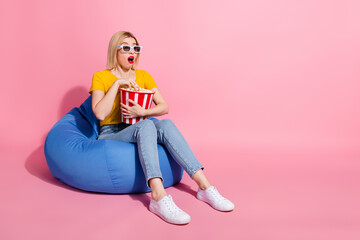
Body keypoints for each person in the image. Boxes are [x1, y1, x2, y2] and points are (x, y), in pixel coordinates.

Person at [89, 31, 235, 225]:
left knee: (164, 123)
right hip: (111, 133)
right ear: (114, 51)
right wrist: (117, 84)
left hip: (137, 125)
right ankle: (158, 196)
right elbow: (99, 113)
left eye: (135, 47)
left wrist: (141, 110)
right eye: (125, 47)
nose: (131, 51)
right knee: (147, 124)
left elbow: (164, 106)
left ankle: (205, 187)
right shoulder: (101, 77)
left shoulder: (143, 76)